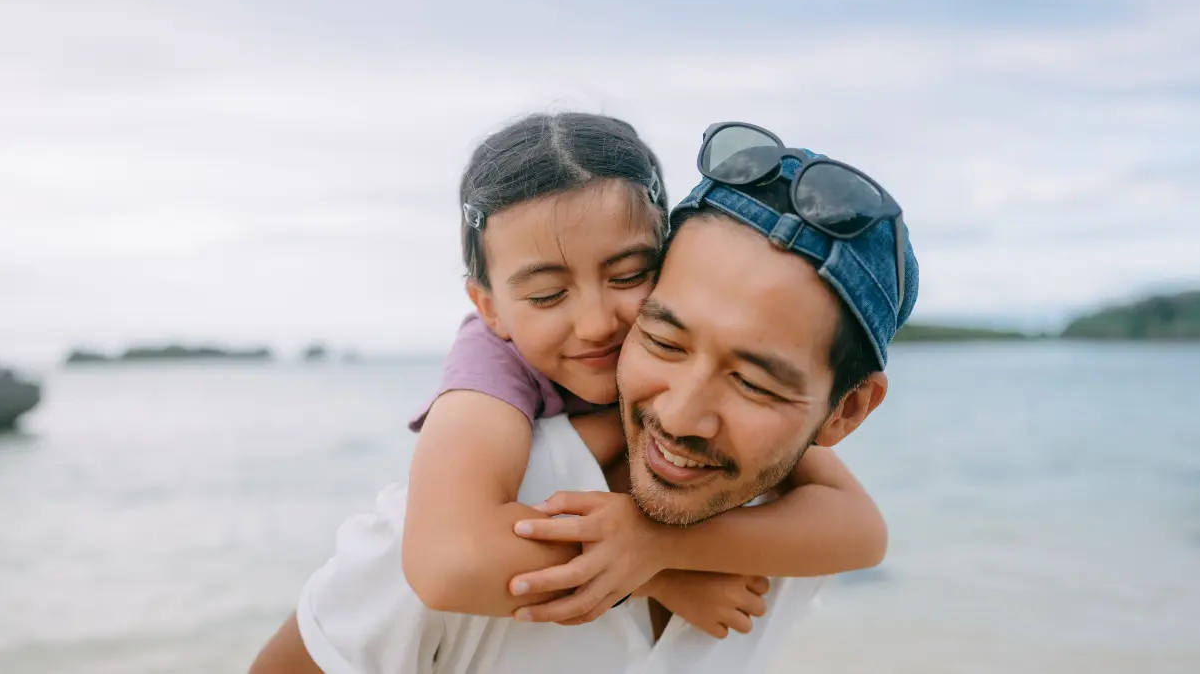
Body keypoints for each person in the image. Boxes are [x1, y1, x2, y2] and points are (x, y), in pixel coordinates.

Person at [250, 118, 918, 673]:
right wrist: (644, 568)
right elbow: (445, 562)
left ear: (844, 413)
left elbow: (862, 532)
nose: (597, 322)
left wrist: (663, 546)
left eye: (753, 382)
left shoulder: (773, 528)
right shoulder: (484, 464)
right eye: (667, 342)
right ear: (491, 309)